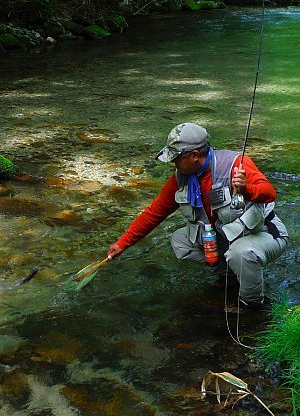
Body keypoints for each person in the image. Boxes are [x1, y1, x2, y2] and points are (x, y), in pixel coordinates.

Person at [107, 122, 288, 309]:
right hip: (228, 236)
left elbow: (269, 193)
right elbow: (155, 212)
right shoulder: (181, 177)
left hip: (266, 233)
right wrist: (123, 243)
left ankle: (251, 305)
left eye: (175, 158)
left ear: (194, 156)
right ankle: (230, 274)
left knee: (241, 253)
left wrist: (246, 188)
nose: (172, 163)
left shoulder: (236, 164)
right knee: (180, 241)